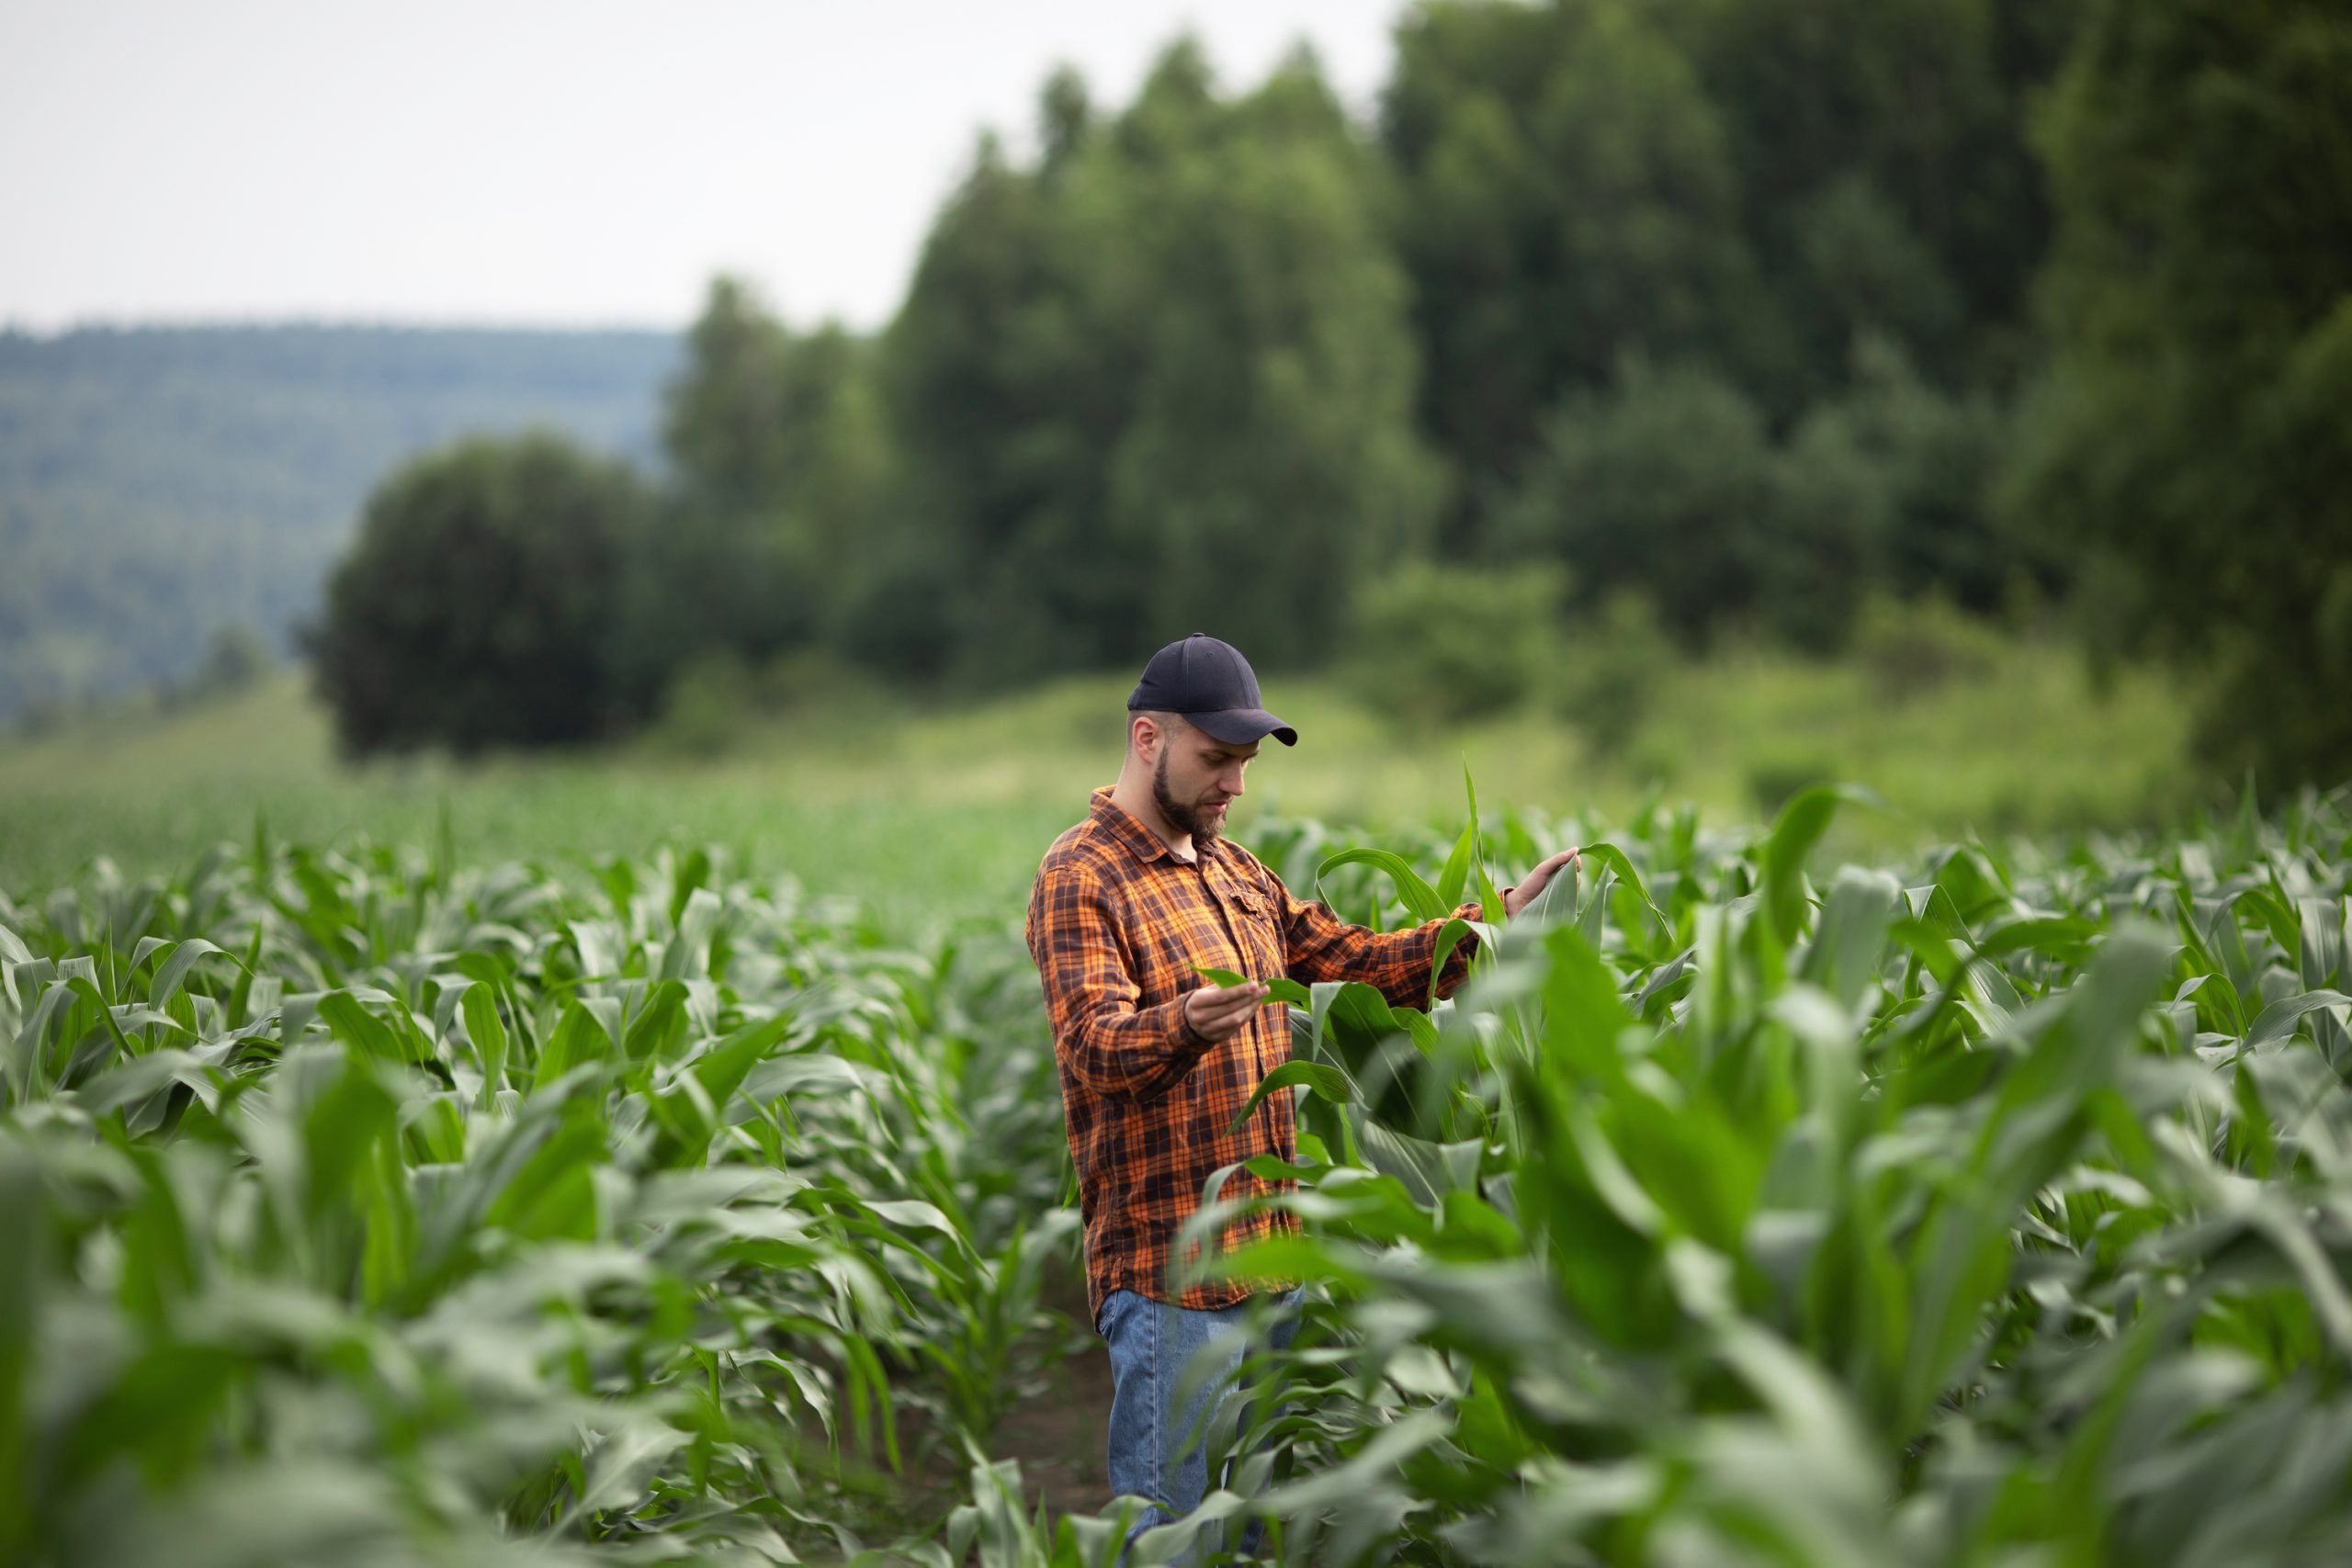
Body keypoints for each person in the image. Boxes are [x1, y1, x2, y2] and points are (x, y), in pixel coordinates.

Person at [1023, 633, 1579, 1556]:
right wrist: (1186, 1023)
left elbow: (1353, 961)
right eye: (1216, 761)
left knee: (1255, 1541)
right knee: (1173, 1540)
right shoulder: (1081, 876)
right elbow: (1091, 1045)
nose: (1234, 787)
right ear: (1147, 738)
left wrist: (1485, 930)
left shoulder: (1235, 871)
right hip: (1172, 1281)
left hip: (1275, 1268)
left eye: (1242, 766)